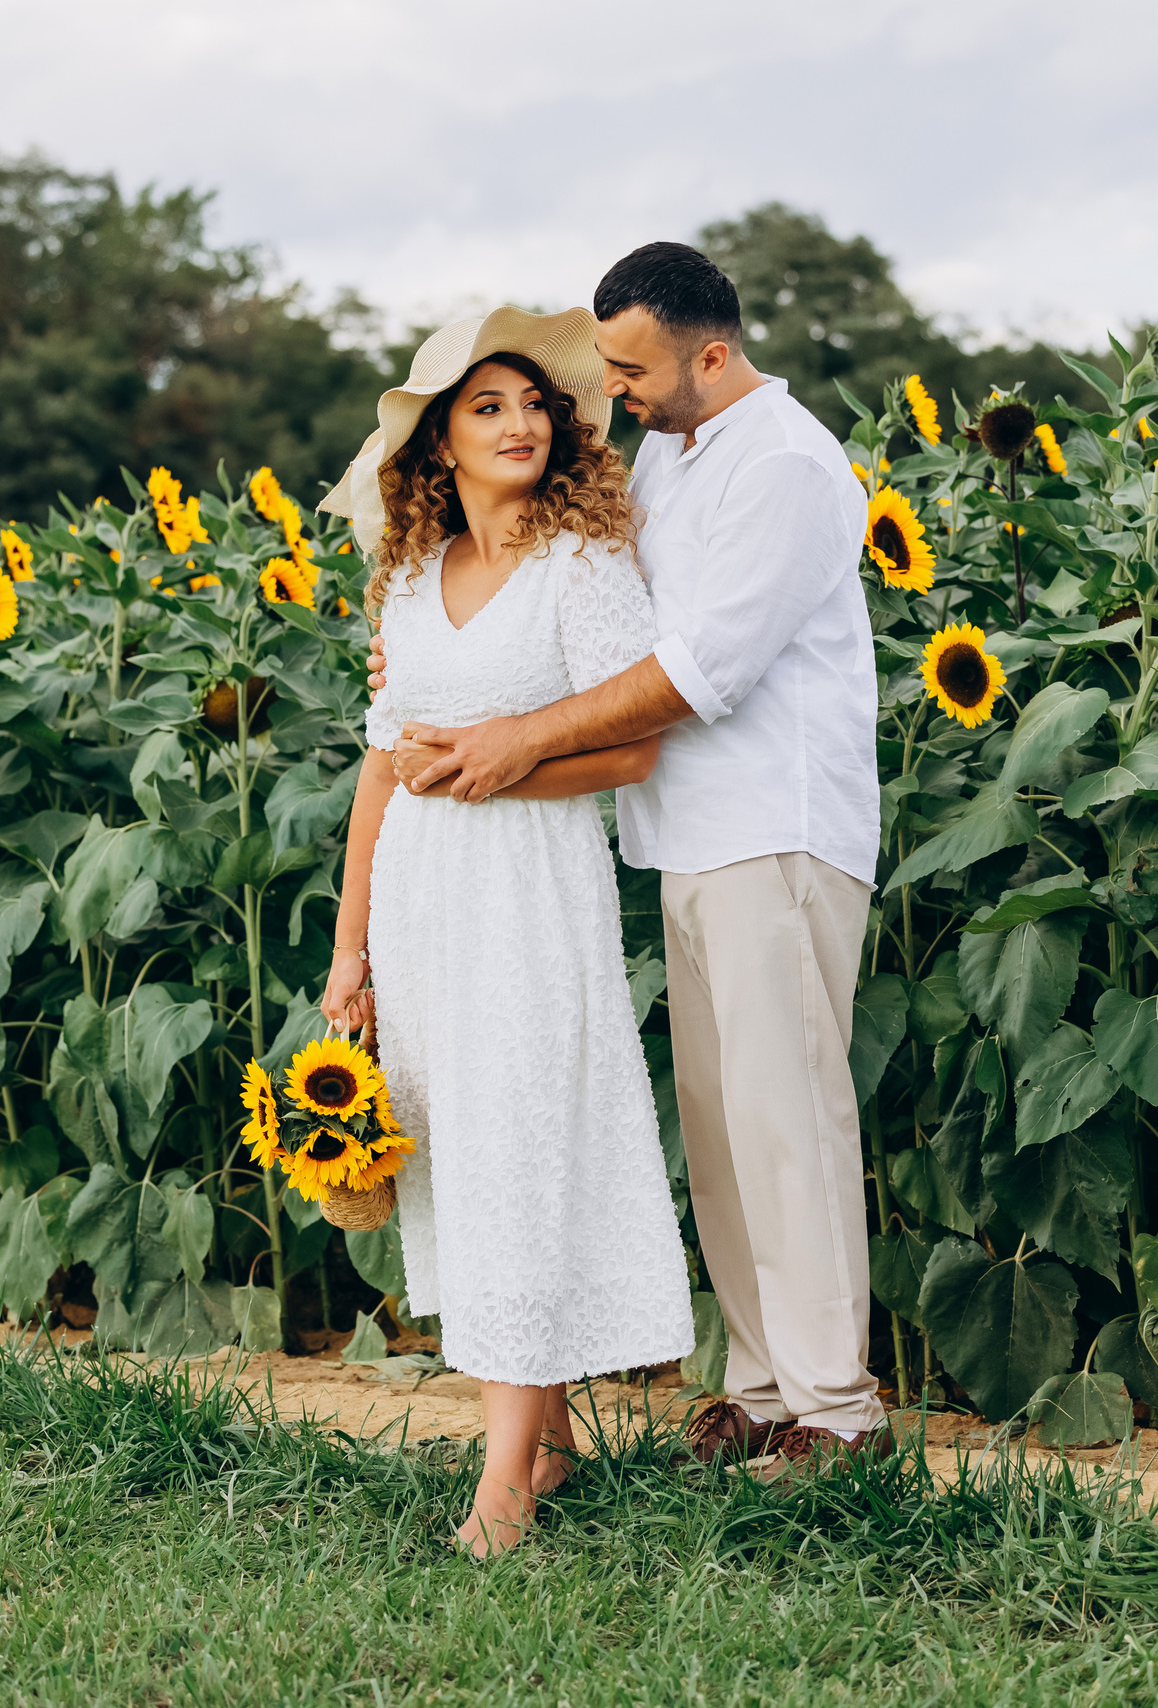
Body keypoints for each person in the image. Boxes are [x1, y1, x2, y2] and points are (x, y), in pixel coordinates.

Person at [372, 243, 888, 1469]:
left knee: (787, 1114)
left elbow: (692, 672)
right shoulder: (674, 447)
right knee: (719, 1120)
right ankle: (761, 1390)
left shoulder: (791, 468)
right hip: (689, 839)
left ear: (711, 355)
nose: (610, 392)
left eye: (631, 367)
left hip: (778, 822)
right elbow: (582, 602)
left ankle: (837, 1409)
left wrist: (508, 740)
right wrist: (433, 663)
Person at [314, 306, 693, 1558]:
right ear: (437, 446)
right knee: (462, 1157)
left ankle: (500, 1488)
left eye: (533, 403)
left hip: (530, 894)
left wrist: (492, 775)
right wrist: (347, 952)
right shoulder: (413, 584)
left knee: (523, 1149)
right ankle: (556, 1442)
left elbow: (634, 743)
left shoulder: (581, 565)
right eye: (488, 407)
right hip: (422, 908)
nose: (521, 423)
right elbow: (381, 774)